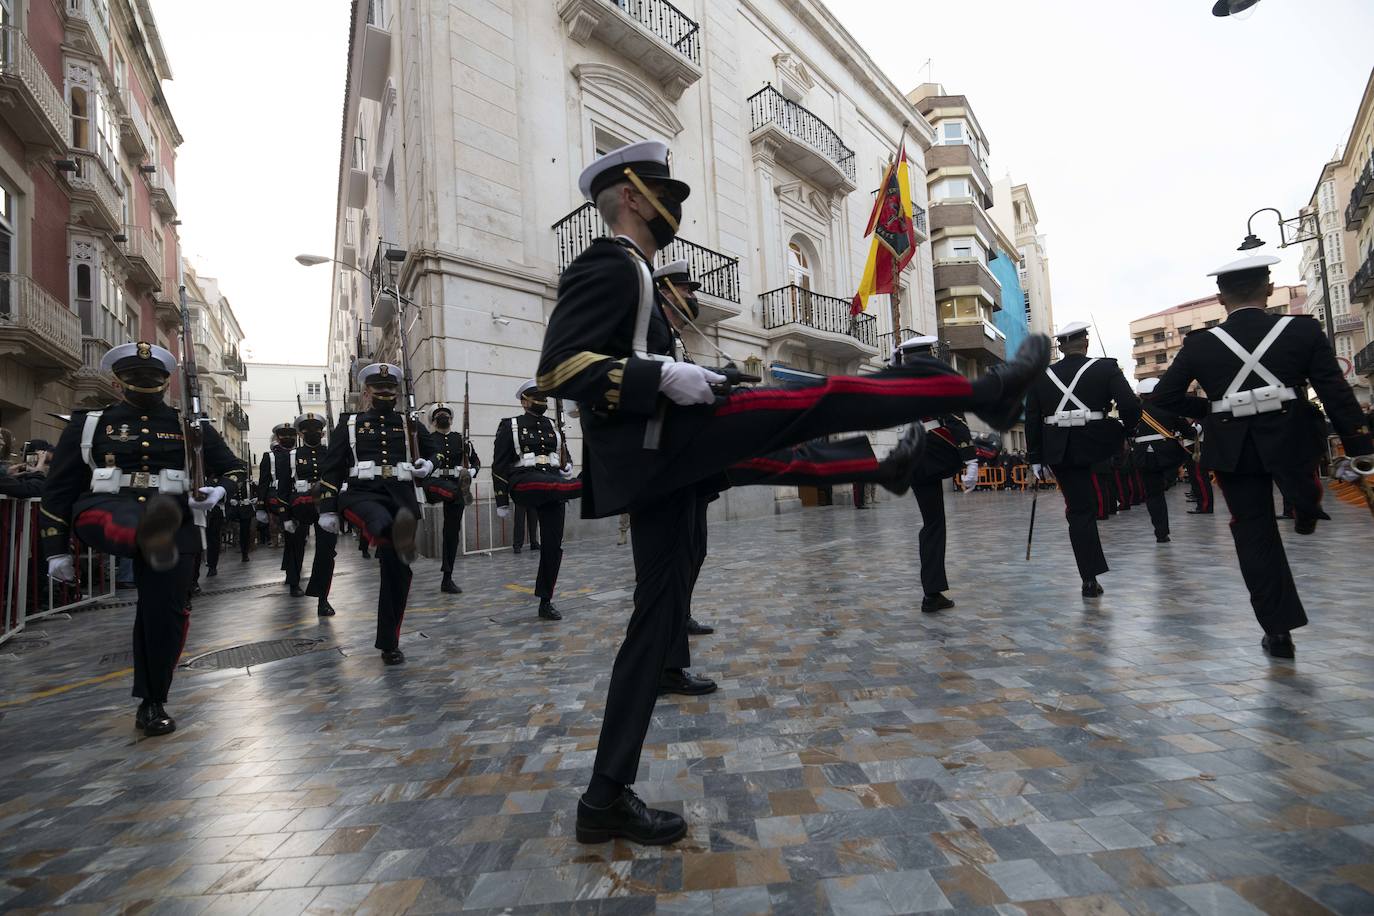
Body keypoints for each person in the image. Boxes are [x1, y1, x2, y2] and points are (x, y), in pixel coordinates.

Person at [537, 140, 1049, 846]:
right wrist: (665, 378)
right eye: (666, 194)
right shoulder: (609, 264)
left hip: (658, 459)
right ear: (630, 196)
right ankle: (981, 395)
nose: (674, 207)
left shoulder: (638, 274)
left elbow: (621, 360)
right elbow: (560, 367)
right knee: (822, 400)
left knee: (656, 622)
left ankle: (603, 798)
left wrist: (694, 375)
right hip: (659, 445)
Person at [1154, 254, 1373, 659]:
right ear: (1269, 289)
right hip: (1292, 436)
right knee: (1300, 481)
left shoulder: (1201, 344)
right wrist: (1361, 449)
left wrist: (1213, 409)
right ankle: (1305, 504)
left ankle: (1278, 631)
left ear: (1221, 298)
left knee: (1254, 534)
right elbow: (1335, 392)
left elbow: (1164, 397)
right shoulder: (1302, 330)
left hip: (1233, 444)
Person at [41, 341, 246, 736]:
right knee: (129, 523)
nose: (145, 385)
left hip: (174, 518)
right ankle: (150, 532)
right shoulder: (91, 423)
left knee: (164, 612)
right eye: (136, 378)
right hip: (108, 507)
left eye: (152, 379)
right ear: (118, 383)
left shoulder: (190, 426)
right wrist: (56, 550)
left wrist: (220, 490)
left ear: (166, 383)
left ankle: (153, 700)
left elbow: (233, 469)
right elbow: (59, 489)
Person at [317, 363, 432, 664]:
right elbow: (331, 467)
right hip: (362, 494)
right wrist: (327, 509)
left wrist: (428, 464)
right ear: (366, 393)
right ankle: (385, 534)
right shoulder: (351, 424)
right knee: (380, 522)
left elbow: (434, 450)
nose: (385, 393)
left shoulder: (408, 423)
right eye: (379, 389)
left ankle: (389, 643)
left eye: (390, 389)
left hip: (401, 496)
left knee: (398, 572)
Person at [1024, 321, 1140, 598]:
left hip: (1061, 449)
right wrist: (1126, 432)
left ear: (1061, 346)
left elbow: (1032, 419)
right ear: (1086, 343)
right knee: (1103, 492)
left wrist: (1035, 458)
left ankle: (1089, 578)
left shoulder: (1040, 376)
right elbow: (1129, 404)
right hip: (1099, 445)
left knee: (1079, 512)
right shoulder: (1106, 368)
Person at [891, 336, 979, 613]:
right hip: (933, 452)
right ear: (929, 353)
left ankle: (932, 593)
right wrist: (970, 459)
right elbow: (955, 420)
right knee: (935, 524)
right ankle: (932, 593)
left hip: (911, 454)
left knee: (931, 524)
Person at [492, 380, 582, 620]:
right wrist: (501, 499)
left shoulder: (553, 425)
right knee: (552, 485)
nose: (542, 401)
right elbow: (499, 465)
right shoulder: (510, 425)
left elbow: (563, 455)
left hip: (554, 485)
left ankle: (545, 600)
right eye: (536, 397)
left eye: (544, 397)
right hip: (524, 481)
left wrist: (567, 465)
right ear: (524, 401)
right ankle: (583, 485)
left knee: (553, 546)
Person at [422, 404, 480, 593]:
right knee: (454, 493)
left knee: (451, 532)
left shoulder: (460, 440)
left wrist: (471, 471)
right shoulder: (428, 440)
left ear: (451, 419)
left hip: (456, 485)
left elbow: (476, 462)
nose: (443, 417)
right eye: (439, 415)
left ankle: (447, 577)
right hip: (435, 484)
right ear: (433, 421)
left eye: (446, 415)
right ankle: (461, 492)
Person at [284, 412, 337, 616]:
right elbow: (284, 487)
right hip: (300, 505)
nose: (313, 433)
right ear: (301, 433)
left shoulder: (330, 453)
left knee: (326, 552)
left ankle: (322, 598)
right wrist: (285, 516)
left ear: (322, 433)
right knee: (296, 546)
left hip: (325, 503)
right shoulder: (293, 455)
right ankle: (293, 581)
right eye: (308, 430)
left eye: (317, 429)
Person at [1131, 378, 1192, 543]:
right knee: (1165, 483)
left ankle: (1161, 532)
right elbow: (1187, 431)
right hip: (1168, 455)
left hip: (1143, 456)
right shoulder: (1169, 407)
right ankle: (1168, 481)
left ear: (1142, 395)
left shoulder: (1134, 411)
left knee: (1153, 495)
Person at [257, 422, 302, 595]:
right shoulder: (270, 456)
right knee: (292, 538)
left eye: (291, 435)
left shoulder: (300, 454)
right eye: (284, 435)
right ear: (277, 437)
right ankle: (293, 579)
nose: (288, 438)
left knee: (295, 539)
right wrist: (261, 506)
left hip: (298, 499)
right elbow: (263, 482)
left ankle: (291, 571)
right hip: (277, 500)